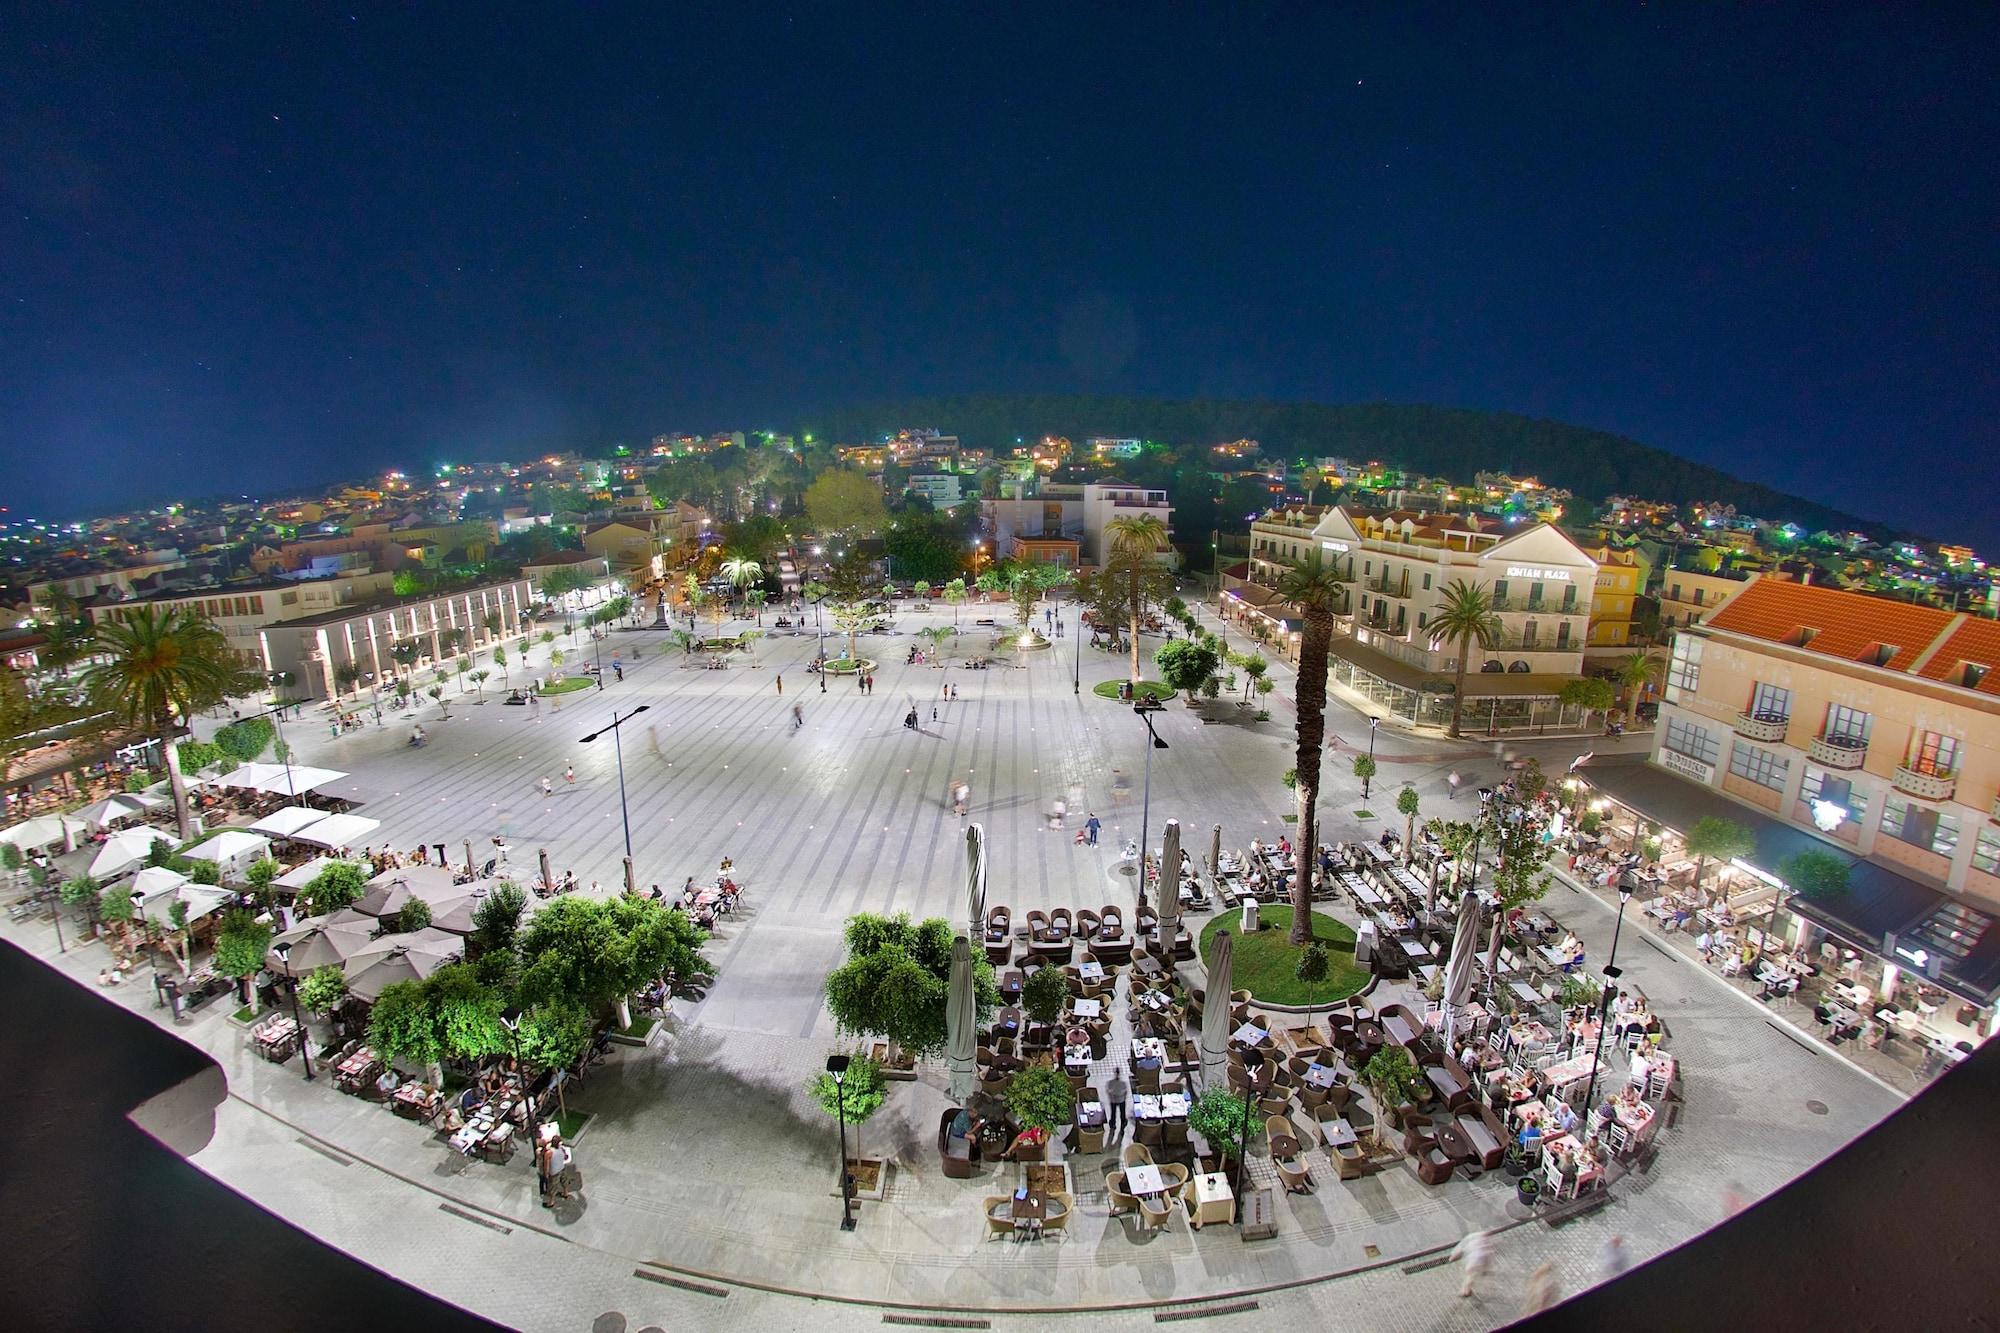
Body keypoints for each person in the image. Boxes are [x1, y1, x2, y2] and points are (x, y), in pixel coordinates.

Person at [1452, 1227, 1495, 1298]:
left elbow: (1460, 1248)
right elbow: (1488, 1254)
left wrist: (1453, 1256)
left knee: (1470, 1275)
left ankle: (1465, 1291)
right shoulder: (1484, 1240)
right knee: (1471, 1276)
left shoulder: (1470, 1238)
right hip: (1479, 1260)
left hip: (1473, 1260)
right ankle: (1466, 1290)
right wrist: (1486, 1267)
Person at [1105, 1069, 1129, 1141]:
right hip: (1121, 1100)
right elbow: (1125, 1092)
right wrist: (1123, 1098)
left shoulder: (1110, 1083)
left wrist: (1112, 1096)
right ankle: (1122, 1125)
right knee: (1122, 1113)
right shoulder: (1123, 1083)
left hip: (1113, 1100)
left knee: (1113, 1113)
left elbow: (1108, 1091)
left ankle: (1112, 1124)